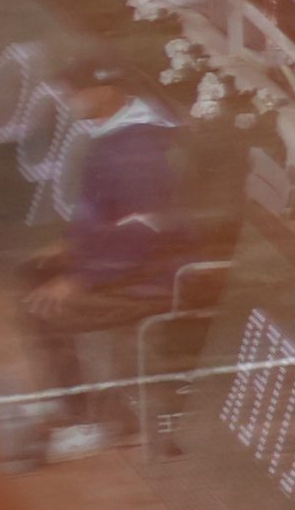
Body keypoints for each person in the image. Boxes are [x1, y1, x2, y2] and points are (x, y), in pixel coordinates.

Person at [21, 57, 190, 462]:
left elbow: (142, 235)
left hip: (154, 275)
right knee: (32, 275)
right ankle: (70, 404)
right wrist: (71, 247)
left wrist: (82, 277)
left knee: (49, 310)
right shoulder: (117, 132)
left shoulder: (140, 148)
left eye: (78, 92)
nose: (71, 100)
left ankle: (90, 422)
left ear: (107, 92)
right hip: (129, 264)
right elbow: (103, 212)